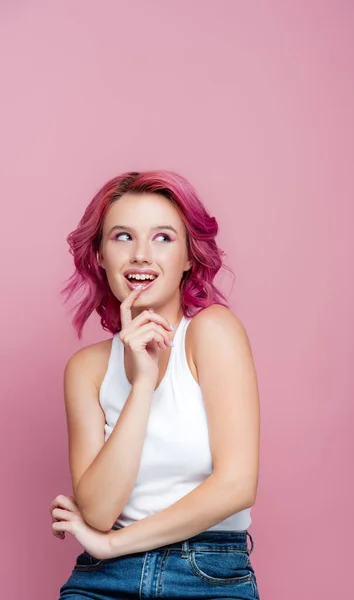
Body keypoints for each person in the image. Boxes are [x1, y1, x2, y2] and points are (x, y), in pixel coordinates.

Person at [49, 170, 260, 599]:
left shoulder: (213, 332)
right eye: (122, 236)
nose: (141, 255)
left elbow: (237, 484)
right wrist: (142, 384)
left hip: (206, 572)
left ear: (188, 257)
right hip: (103, 580)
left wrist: (113, 544)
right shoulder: (86, 370)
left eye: (163, 238)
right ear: (100, 255)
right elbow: (99, 511)